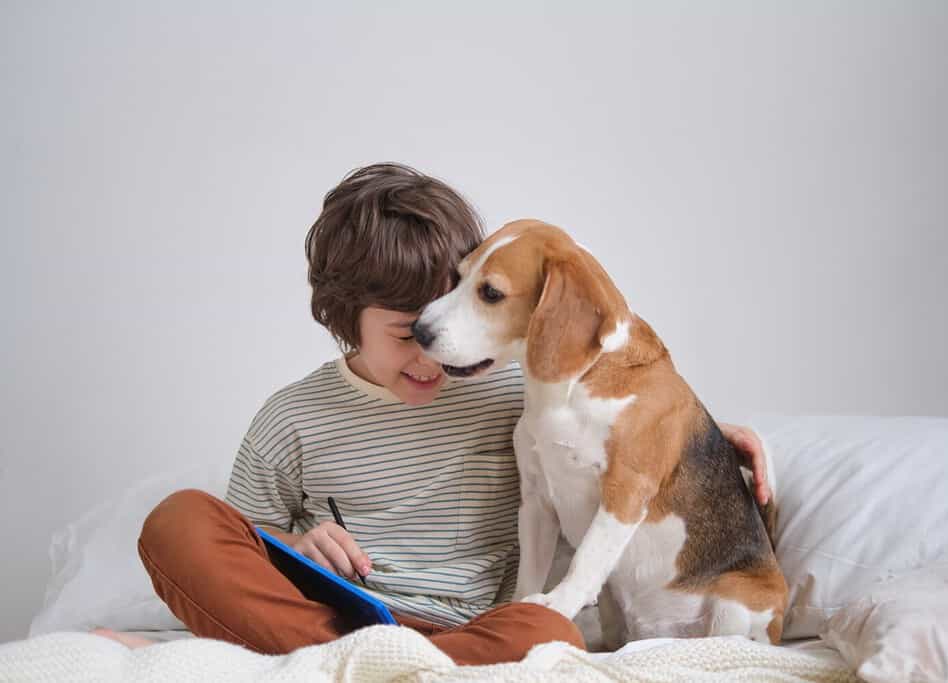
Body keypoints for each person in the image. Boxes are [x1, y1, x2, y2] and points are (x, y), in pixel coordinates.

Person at [94, 163, 773, 664]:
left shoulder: (514, 391)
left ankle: (337, 664)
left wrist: (708, 436)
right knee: (179, 520)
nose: (434, 351)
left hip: (480, 631)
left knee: (547, 630)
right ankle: (381, 662)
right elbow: (248, 540)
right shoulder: (292, 418)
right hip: (340, 614)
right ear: (343, 320)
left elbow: (619, 429)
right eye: (404, 334)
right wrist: (297, 547)